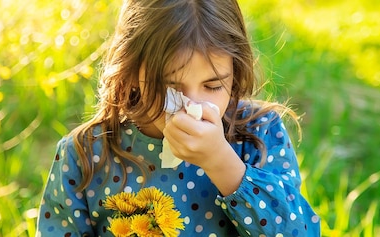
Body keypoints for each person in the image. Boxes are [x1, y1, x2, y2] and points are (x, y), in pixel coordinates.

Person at [36, 0, 320, 236]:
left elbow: (301, 231)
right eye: (171, 87)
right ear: (133, 71)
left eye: (212, 86)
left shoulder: (257, 134)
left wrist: (222, 163)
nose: (191, 107)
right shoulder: (86, 156)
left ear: (235, 73)